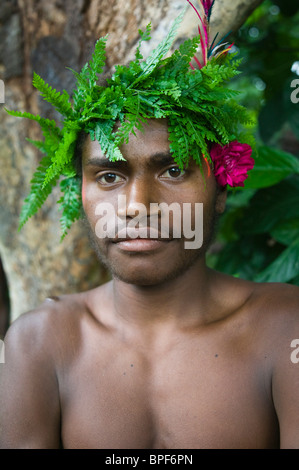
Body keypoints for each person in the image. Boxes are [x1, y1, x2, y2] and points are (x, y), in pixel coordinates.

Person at [1, 1, 299, 449]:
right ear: (78, 194)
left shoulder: (286, 329)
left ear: (223, 189)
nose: (137, 205)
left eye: (174, 170)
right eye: (109, 176)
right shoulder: (38, 343)